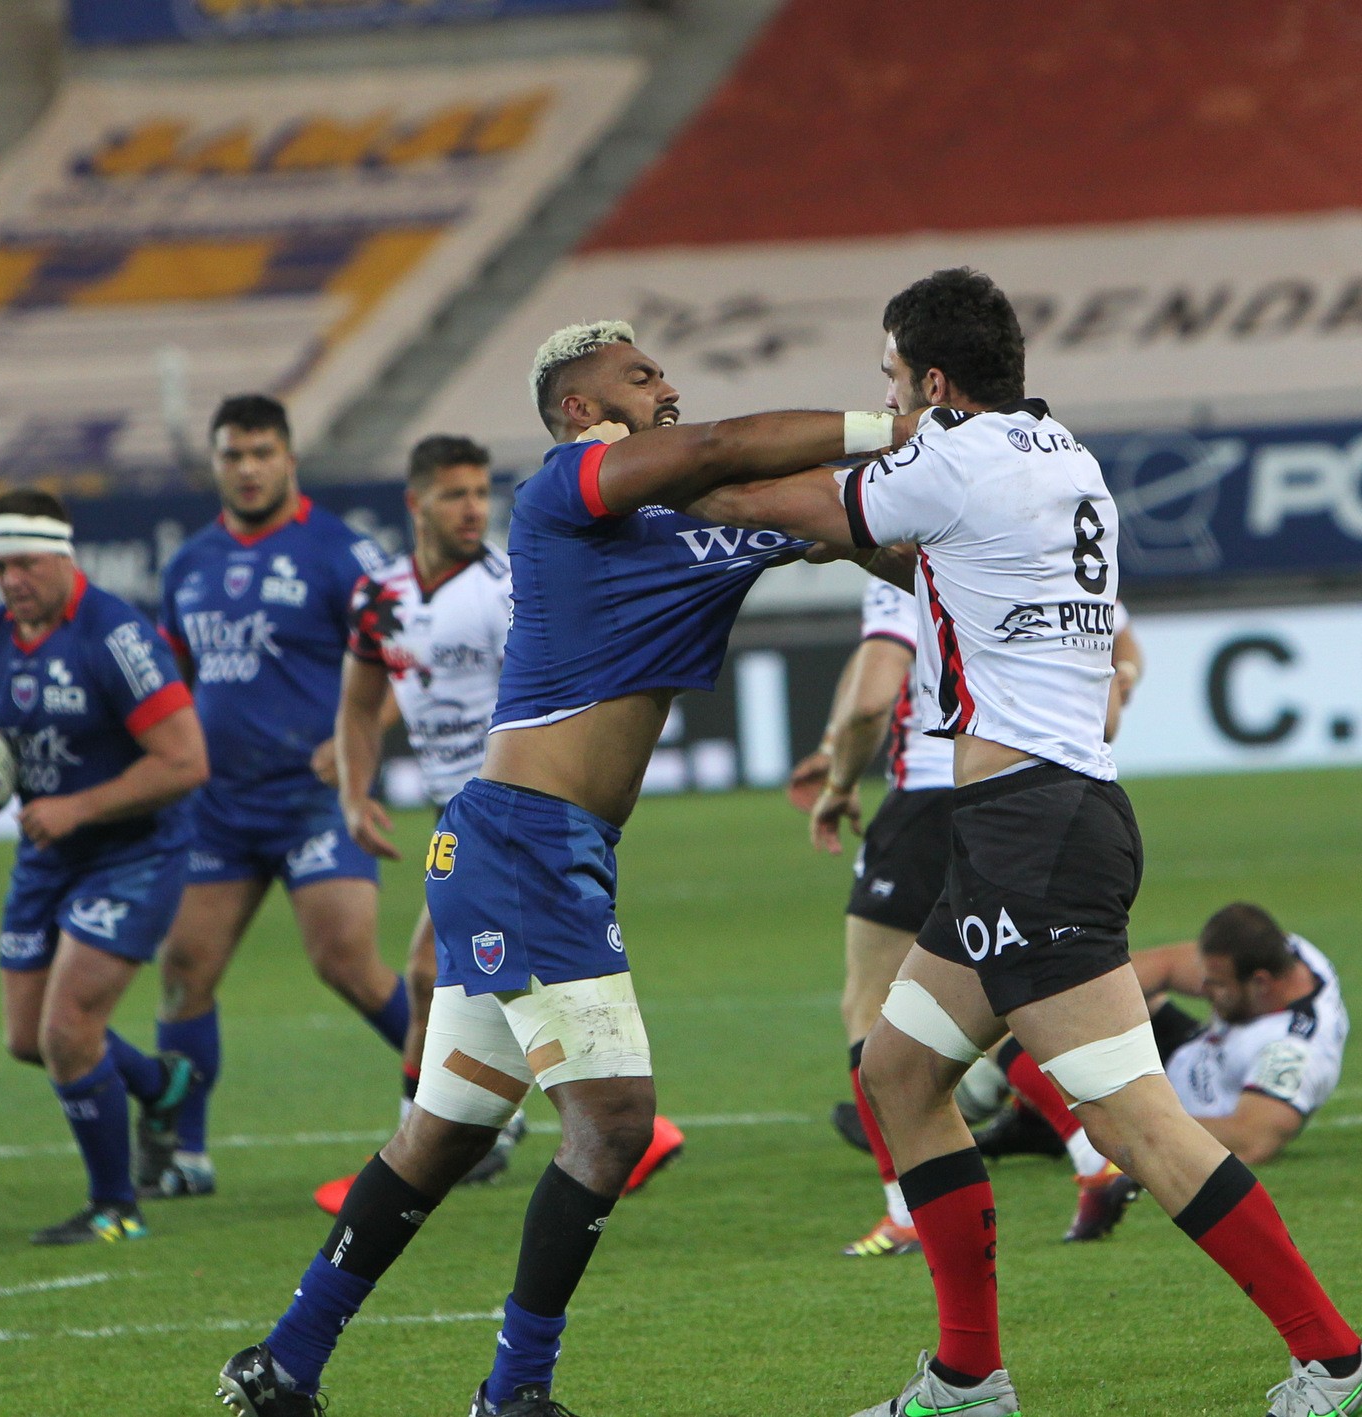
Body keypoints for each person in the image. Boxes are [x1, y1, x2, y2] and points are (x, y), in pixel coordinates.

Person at [699, 268, 1362, 1417]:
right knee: (896, 1071)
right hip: (1023, 825)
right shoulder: (1057, 452)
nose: (886, 402)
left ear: (933, 381)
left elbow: (792, 503)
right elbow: (923, 558)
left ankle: (1332, 1359)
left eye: (890, 380)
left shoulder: (956, 455)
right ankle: (967, 1378)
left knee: (1132, 1117)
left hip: (1035, 830)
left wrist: (651, 475)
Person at [216, 321, 908, 1417]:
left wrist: (912, 506)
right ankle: (514, 1392)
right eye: (639, 375)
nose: (665, 385)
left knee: (442, 1133)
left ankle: (283, 1363)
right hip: (525, 842)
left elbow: (847, 523)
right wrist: (891, 424)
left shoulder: (705, 513)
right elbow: (720, 446)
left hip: (534, 846)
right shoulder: (559, 491)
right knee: (616, 1121)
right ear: (580, 410)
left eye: (664, 369)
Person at [795, 582, 1142, 1259]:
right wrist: (1122, 676)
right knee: (978, 1003)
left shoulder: (913, 554)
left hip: (926, 795)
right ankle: (1090, 1154)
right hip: (1023, 792)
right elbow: (1120, 656)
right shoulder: (1045, 546)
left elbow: (872, 696)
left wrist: (840, 779)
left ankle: (905, 1212)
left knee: (871, 1006)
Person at [0, 490, 208, 1243]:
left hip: (136, 850)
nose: (12, 580)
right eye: (0, 566)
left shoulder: (116, 637)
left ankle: (117, 1208)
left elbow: (185, 761)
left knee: (69, 1029)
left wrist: (80, 806)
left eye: (26, 564)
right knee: (27, 1038)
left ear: (64, 557)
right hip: (48, 854)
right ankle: (160, 1082)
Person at [145, 395, 397, 1199]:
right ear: (215, 464)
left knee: (346, 961)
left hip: (315, 797)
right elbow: (175, 681)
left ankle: (473, 1108)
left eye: (262, 453)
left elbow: (399, 664)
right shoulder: (189, 564)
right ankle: (183, 1153)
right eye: (233, 455)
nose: (248, 469)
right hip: (219, 805)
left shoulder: (342, 553)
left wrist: (355, 740)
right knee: (184, 969)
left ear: (289, 458)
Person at [311, 433, 522, 1211]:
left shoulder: (505, 588)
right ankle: (486, 1129)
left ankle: (421, 1151)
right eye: (455, 494)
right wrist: (354, 793)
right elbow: (359, 704)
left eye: (481, 493)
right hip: (450, 808)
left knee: (434, 972)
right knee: (474, 976)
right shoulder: (382, 593)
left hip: (508, 801)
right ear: (416, 503)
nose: (473, 509)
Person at [985, 902, 1348, 1242]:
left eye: (1218, 985)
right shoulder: (1287, 952)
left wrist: (1140, 1125)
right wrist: (1065, 996)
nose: (1204, 989)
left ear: (1262, 983)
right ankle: (1031, 1112)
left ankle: (1068, 1132)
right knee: (1047, 1004)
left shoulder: (1295, 1050)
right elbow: (1166, 966)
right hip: (1185, 1052)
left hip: (1172, 1110)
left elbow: (1250, 1139)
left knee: (1004, 1026)